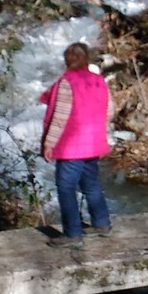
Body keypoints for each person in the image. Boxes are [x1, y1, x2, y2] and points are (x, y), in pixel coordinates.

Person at [40, 42, 114, 248]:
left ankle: (73, 234)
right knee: (91, 184)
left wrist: (49, 143)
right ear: (86, 59)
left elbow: (60, 117)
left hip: (71, 147)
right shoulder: (99, 81)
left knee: (66, 187)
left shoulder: (66, 83)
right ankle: (102, 224)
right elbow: (109, 111)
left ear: (67, 61)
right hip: (93, 143)